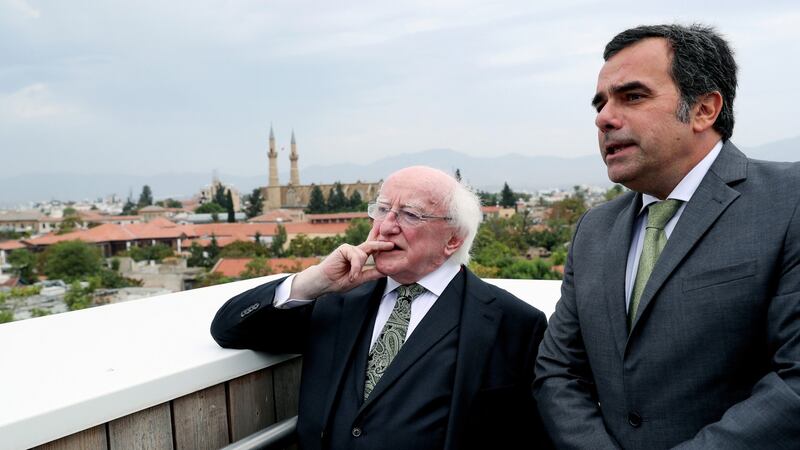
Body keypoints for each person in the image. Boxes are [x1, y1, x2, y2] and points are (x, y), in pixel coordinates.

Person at [534, 24, 800, 449]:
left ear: (704, 110)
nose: (604, 117)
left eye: (633, 96)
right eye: (600, 103)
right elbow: (558, 371)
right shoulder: (594, 230)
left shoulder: (789, 201)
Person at [211, 166, 551, 450]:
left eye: (410, 214)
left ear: (453, 239)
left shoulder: (513, 323)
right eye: (383, 209)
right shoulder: (336, 300)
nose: (387, 225)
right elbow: (228, 329)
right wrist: (312, 281)